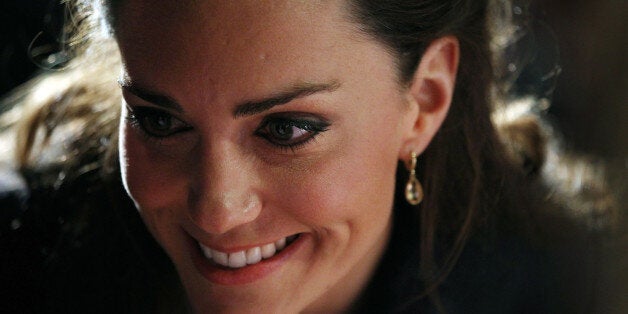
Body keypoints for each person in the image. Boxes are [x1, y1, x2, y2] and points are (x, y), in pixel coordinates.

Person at [0, 0, 622, 313]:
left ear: (424, 100)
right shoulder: (23, 258)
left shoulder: (571, 288)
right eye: (160, 121)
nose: (218, 210)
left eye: (287, 130)